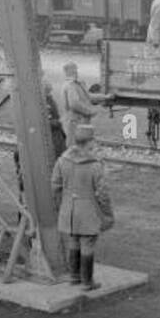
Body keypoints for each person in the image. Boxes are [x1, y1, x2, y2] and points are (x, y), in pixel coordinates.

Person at [50, 123, 114, 290]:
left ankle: (74, 276)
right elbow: (103, 194)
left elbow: (55, 186)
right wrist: (107, 214)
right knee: (88, 243)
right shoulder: (96, 165)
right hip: (89, 211)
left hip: (68, 209)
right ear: (90, 142)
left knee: (73, 240)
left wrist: (61, 205)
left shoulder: (62, 161)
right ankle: (87, 281)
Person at [59, 62, 107, 146]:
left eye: (76, 69)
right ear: (68, 71)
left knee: (81, 145)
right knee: (74, 146)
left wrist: (105, 97)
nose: (76, 71)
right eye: (74, 70)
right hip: (74, 122)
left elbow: (89, 96)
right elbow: (74, 104)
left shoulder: (77, 84)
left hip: (79, 121)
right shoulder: (70, 85)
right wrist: (89, 112)